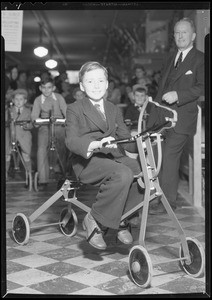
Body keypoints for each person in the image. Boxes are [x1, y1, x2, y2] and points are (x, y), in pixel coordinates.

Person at [65, 61, 144, 250]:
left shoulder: (113, 109)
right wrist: (94, 144)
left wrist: (145, 139)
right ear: (82, 86)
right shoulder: (75, 109)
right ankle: (94, 218)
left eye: (101, 80)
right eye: (90, 82)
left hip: (111, 156)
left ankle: (122, 219)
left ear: (107, 84)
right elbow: (71, 140)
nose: (96, 85)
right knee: (123, 173)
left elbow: (126, 138)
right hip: (87, 161)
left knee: (140, 171)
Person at [147, 17, 204, 214]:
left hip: (182, 119)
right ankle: (155, 196)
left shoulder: (200, 59)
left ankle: (167, 202)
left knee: (170, 156)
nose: (180, 36)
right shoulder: (170, 57)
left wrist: (178, 95)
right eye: (177, 33)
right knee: (156, 157)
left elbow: (202, 87)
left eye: (184, 32)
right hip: (162, 117)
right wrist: (151, 116)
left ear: (193, 36)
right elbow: (162, 87)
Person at [31, 78, 67, 189]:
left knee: (62, 147)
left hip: (58, 125)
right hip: (45, 126)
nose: (46, 90)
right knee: (41, 149)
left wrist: (67, 121)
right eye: (44, 87)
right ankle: (43, 179)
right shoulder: (38, 100)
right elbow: (34, 116)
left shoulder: (59, 97)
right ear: (40, 88)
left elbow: (66, 111)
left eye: (49, 87)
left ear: (54, 88)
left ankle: (64, 173)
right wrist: (36, 121)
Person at [5, 89, 33, 180]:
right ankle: (5, 173)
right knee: (7, 154)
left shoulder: (28, 111)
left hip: (23, 135)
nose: (18, 101)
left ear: (25, 101)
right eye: (16, 99)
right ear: (12, 100)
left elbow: (32, 123)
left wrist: (28, 126)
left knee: (26, 154)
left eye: (21, 99)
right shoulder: (8, 111)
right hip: (10, 134)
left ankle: (29, 174)